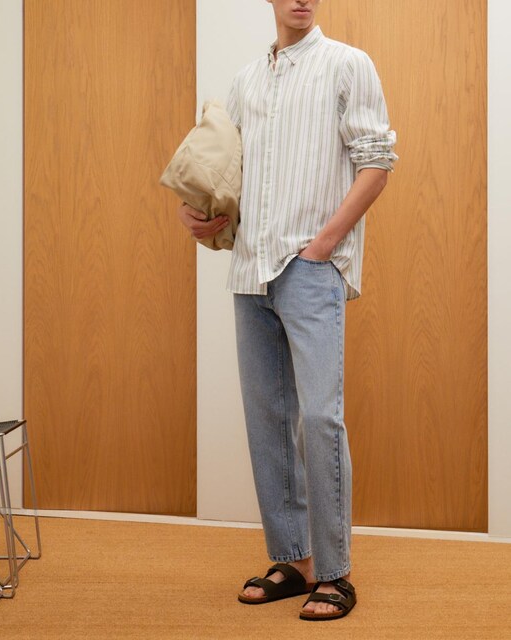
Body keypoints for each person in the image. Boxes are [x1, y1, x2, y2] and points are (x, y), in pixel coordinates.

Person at [177, 0, 397, 622]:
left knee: (320, 420)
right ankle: (293, 561)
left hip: (310, 267)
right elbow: (228, 172)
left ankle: (335, 572)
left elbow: (377, 162)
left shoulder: (348, 65)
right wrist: (198, 213)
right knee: (268, 422)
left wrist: (323, 245)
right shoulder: (246, 81)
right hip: (250, 270)